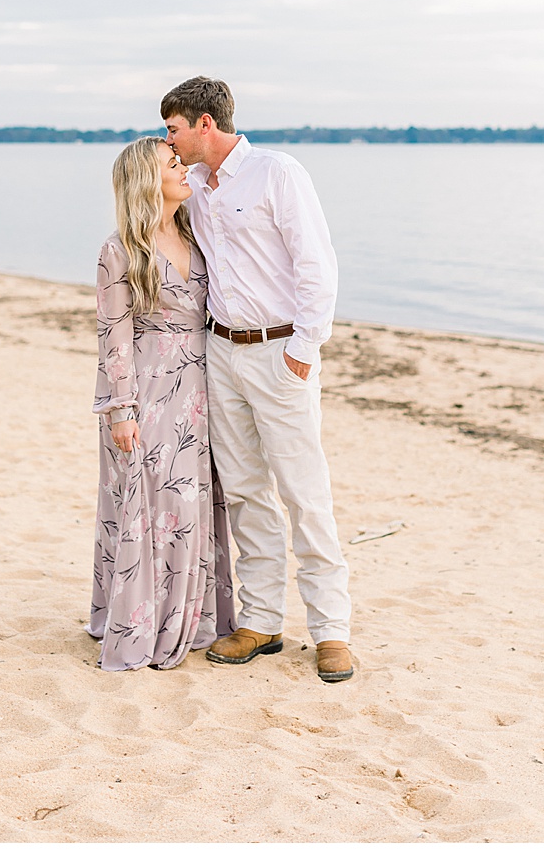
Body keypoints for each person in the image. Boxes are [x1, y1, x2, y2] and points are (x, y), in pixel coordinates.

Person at [160, 76, 355, 684]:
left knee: (304, 491)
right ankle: (262, 621)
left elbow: (316, 263)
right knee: (245, 491)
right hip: (221, 352)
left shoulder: (278, 173)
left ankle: (332, 631)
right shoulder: (193, 185)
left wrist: (304, 348)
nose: (168, 140)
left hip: (280, 353)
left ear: (205, 124)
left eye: (173, 129)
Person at [87, 136, 236, 670]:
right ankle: (142, 624)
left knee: (193, 504)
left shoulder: (196, 233)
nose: (182, 168)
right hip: (148, 394)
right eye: (172, 164)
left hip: (202, 387)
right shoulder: (121, 249)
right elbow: (113, 334)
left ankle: (192, 616)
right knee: (152, 504)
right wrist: (121, 410)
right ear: (147, 182)